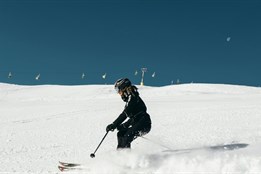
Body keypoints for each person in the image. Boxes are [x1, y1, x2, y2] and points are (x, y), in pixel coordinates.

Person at [106, 78, 152, 149]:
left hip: (144, 123)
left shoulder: (133, 96)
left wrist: (114, 124)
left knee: (127, 136)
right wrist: (123, 126)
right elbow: (133, 117)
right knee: (121, 134)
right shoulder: (130, 99)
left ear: (123, 88)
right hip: (138, 122)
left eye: (118, 90)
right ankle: (120, 155)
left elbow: (126, 113)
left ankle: (125, 156)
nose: (119, 93)